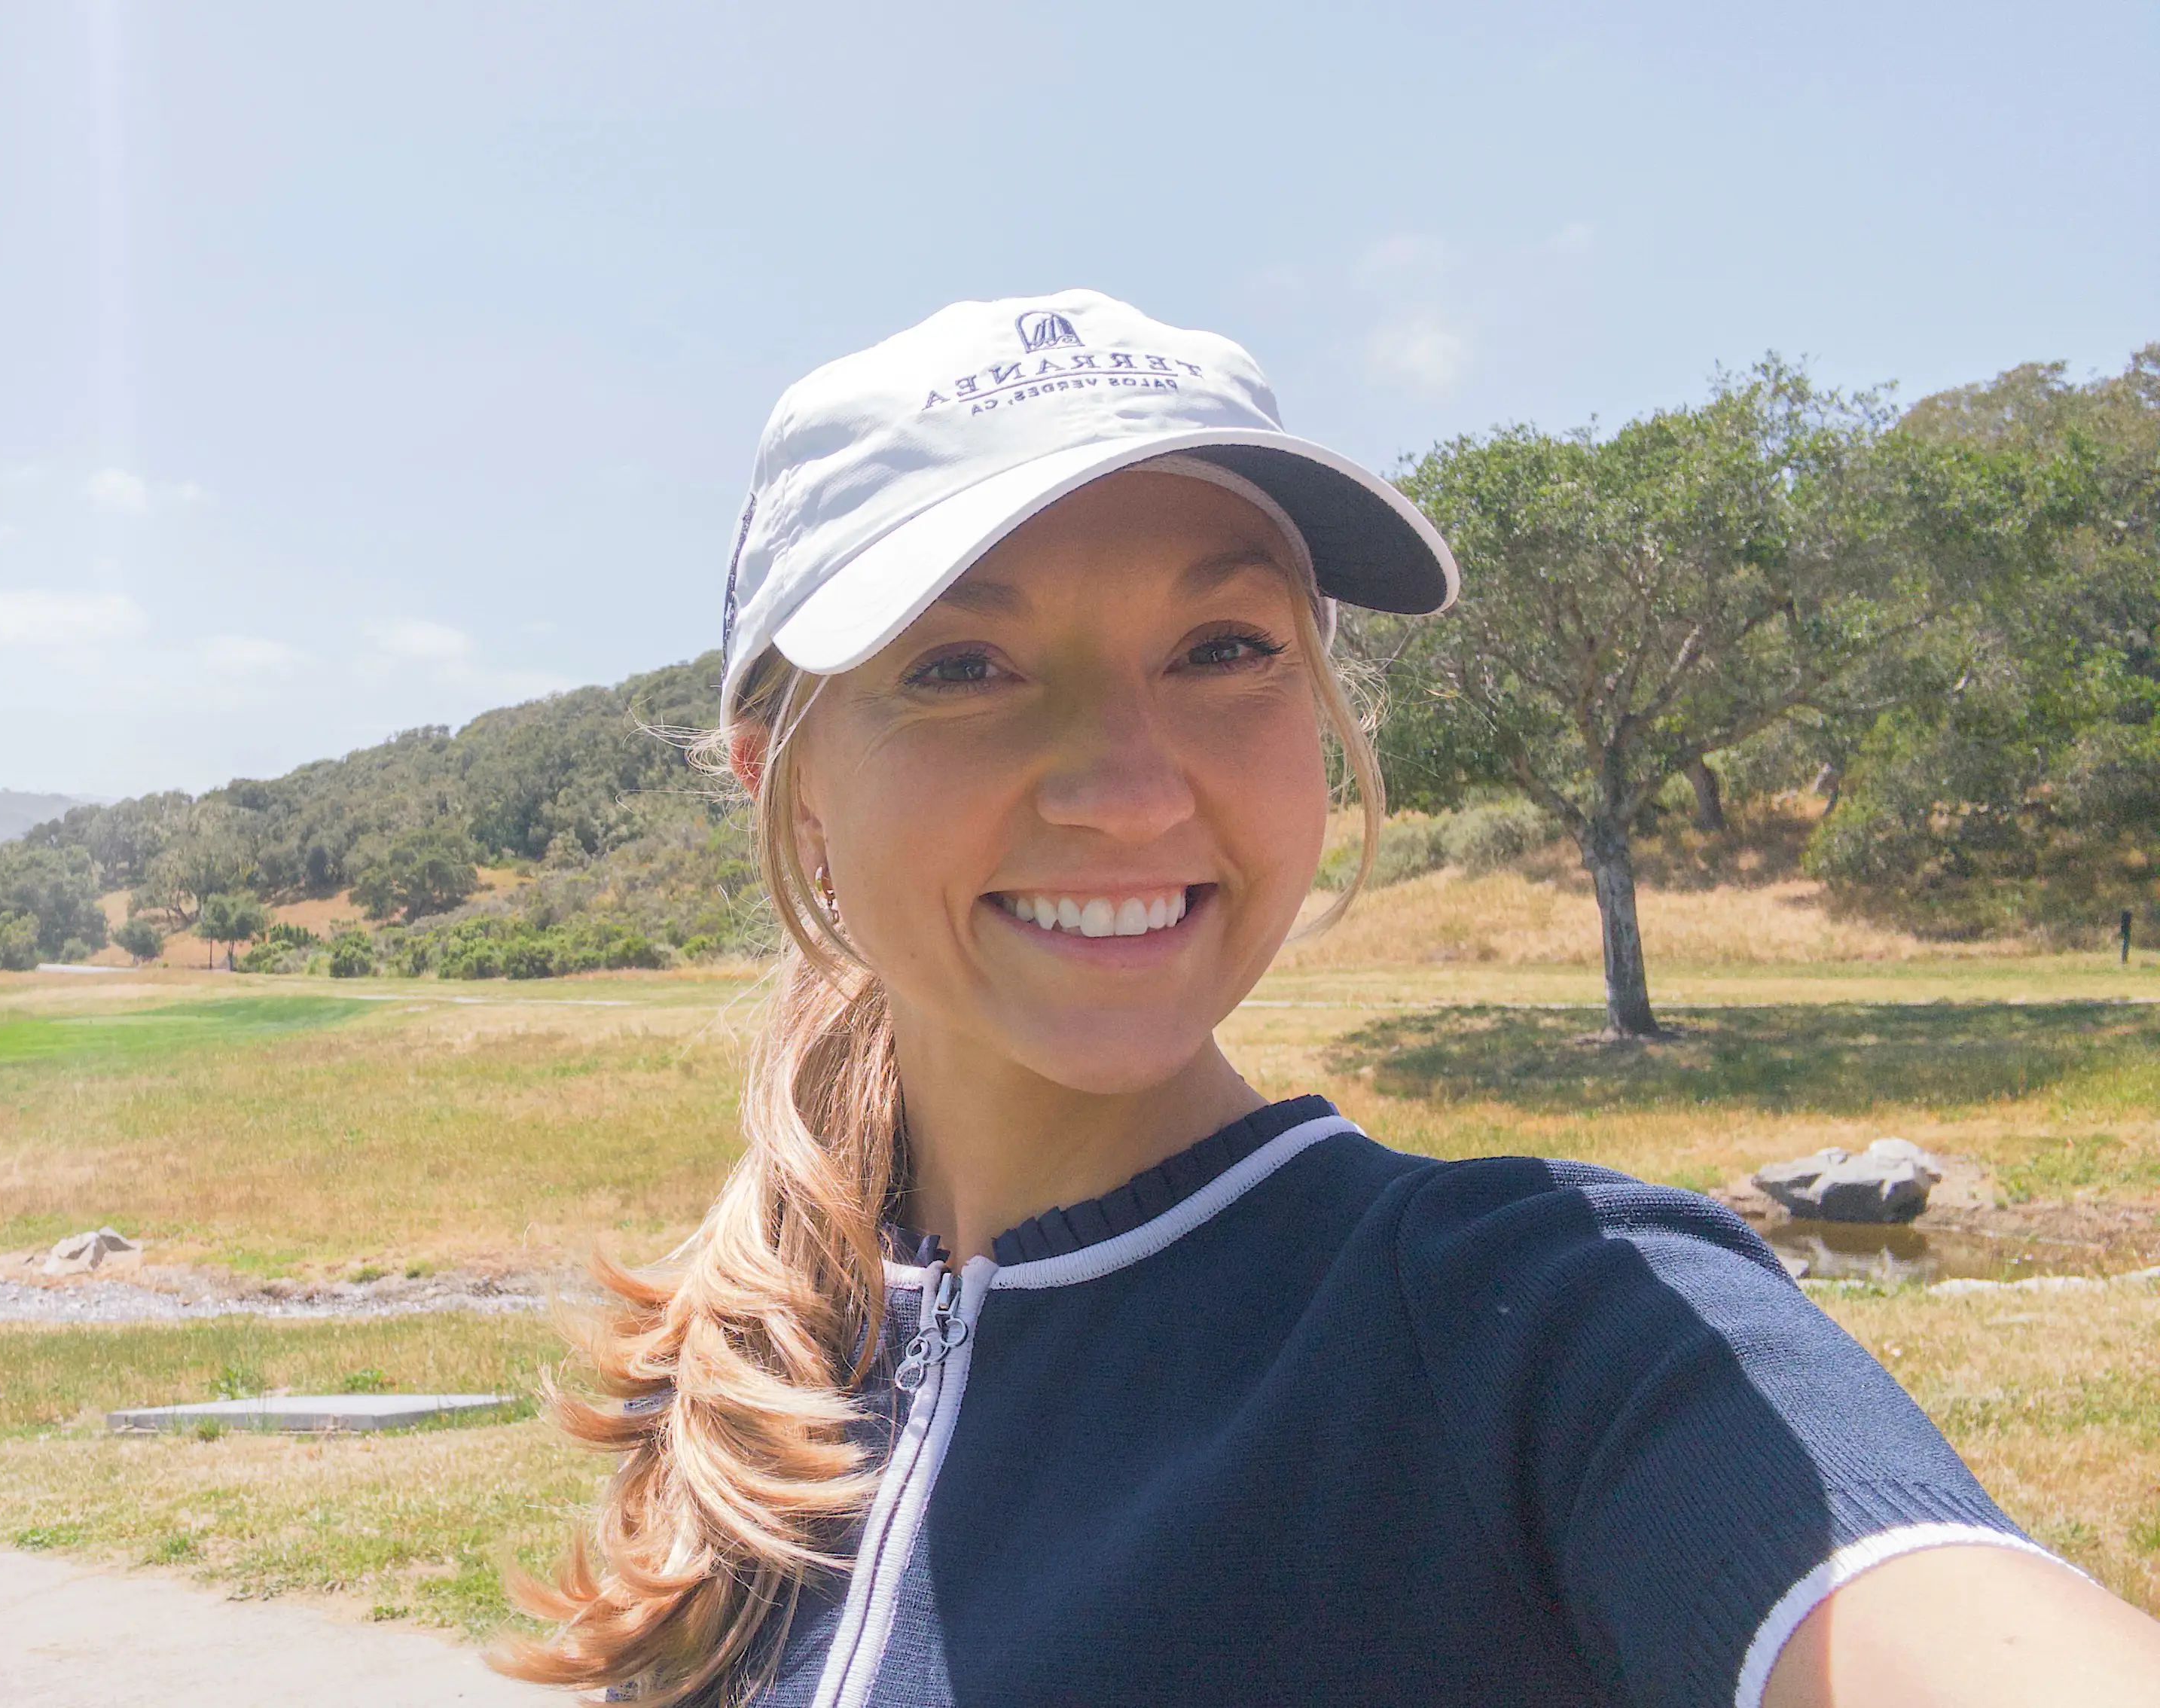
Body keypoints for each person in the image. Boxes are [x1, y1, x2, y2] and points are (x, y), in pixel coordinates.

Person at [499, 291, 2160, 1706]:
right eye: (961, 666)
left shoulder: (1544, 1323)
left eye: (1224, 648)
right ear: (782, 781)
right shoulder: (766, 1369)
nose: (1130, 792)